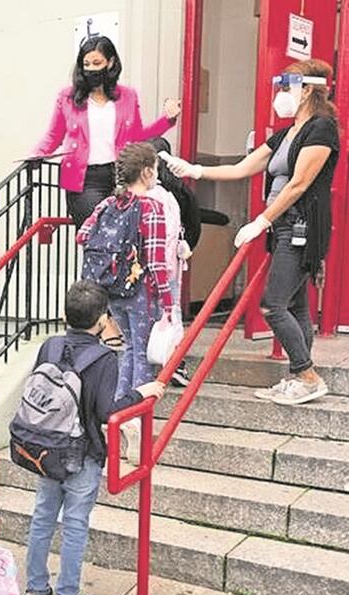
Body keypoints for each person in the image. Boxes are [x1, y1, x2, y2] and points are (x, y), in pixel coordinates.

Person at [162, 58, 339, 406]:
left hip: (300, 227)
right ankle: (296, 377)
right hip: (283, 226)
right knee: (296, 306)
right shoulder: (285, 134)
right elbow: (243, 168)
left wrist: (262, 220)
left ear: (306, 91)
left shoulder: (321, 129)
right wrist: (196, 170)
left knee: (273, 305)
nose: (280, 95)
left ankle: (307, 375)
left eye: (286, 87)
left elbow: (299, 184)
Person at [23, 280, 165, 595]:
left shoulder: (50, 346)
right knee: (74, 524)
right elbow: (106, 413)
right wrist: (141, 392)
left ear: (64, 314)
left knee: (43, 517)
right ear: (103, 319)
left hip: (46, 448)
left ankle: (35, 593)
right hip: (81, 453)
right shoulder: (104, 358)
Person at [78, 142, 173, 457]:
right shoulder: (152, 208)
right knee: (143, 356)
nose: (157, 175)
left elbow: (83, 236)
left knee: (127, 351)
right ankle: (135, 424)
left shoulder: (107, 204)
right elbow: (157, 261)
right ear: (147, 172)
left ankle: (116, 419)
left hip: (112, 289)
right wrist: (169, 304)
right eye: (156, 170)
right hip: (142, 292)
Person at [32, 35, 181, 225]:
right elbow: (53, 135)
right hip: (84, 180)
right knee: (98, 232)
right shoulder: (67, 97)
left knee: (123, 235)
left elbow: (137, 137)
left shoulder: (128, 95)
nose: (91, 69)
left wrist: (167, 120)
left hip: (121, 175)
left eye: (97, 62)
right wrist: (36, 155)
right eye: (86, 64)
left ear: (110, 62)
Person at [146, 137, 196, 387]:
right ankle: (175, 364)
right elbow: (194, 226)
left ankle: (144, 367)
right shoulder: (179, 191)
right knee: (171, 314)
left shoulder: (137, 191)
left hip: (140, 268)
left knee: (143, 314)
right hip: (170, 266)